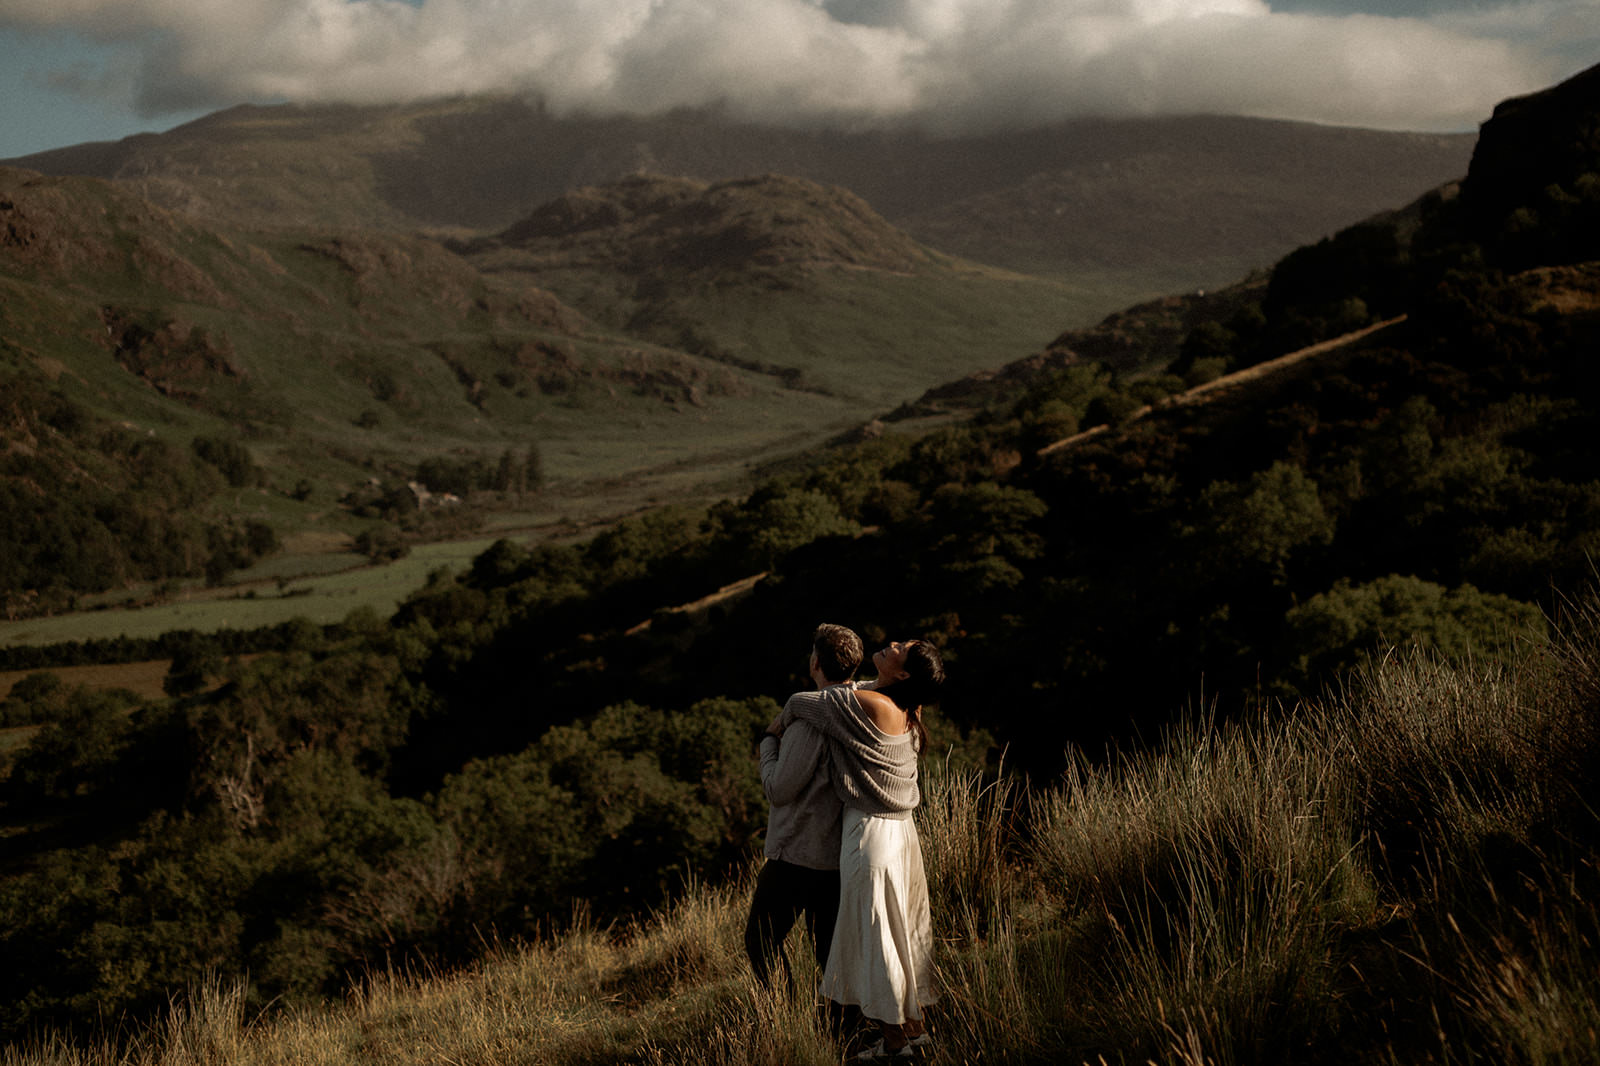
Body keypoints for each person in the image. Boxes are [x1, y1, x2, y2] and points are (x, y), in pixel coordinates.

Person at [770, 639, 944, 1060]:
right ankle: (913, 1029)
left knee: (875, 938)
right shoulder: (902, 706)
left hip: (871, 837)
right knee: (899, 933)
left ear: (902, 674)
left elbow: (804, 702)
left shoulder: (873, 704)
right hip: (899, 834)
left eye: (903, 649)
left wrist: (772, 734)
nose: (894, 643)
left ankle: (895, 1043)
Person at [746, 623, 865, 990]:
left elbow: (780, 789)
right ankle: (847, 1031)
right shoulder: (863, 708)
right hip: (838, 851)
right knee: (828, 949)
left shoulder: (807, 722)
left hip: (798, 853)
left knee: (761, 941)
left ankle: (790, 1013)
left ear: (816, 662)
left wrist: (768, 743)